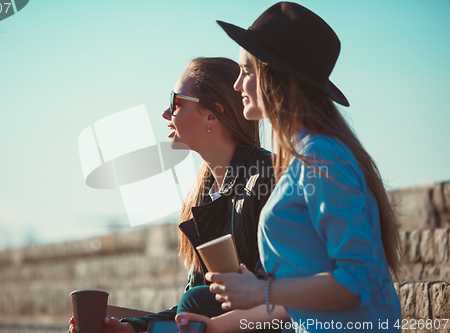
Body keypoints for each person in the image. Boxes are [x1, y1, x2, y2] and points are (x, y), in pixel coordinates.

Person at [176, 2, 402, 333]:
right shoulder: (305, 158)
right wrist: (217, 324)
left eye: (247, 71)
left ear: (281, 79)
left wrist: (261, 290)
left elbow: (358, 280)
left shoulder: (322, 158)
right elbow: (302, 303)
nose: (238, 84)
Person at [69, 57, 279, 333]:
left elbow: (275, 301)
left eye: (176, 102)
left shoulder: (268, 177)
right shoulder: (202, 195)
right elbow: (191, 308)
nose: (166, 114)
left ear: (212, 115)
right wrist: (131, 329)